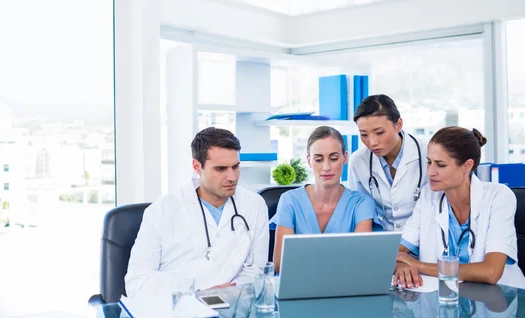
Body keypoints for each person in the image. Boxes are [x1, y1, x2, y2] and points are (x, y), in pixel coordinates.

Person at [125, 127, 269, 296]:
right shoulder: (162, 211)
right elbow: (137, 281)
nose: (232, 177)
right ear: (197, 166)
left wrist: (229, 291)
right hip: (177, 308)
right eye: (220, 169)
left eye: (235, 166)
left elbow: (258, 270)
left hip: (233, 306)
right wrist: (196, 292)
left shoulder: (255, 205)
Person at [393, 127, 525, 289]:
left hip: (499, 299)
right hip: (445, 299)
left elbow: (490, 272)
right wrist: (402, 266)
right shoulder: (428, 195)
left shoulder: (499, 197)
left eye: (440, 165)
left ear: (467, 166)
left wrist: (419, 265)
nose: (430, 172)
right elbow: (396, 252)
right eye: (429, 162)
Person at [270, 126, 377, 272]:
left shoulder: (361, 203)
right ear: (309, 161)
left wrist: (304, 260)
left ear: (345, 158)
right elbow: (280, 264)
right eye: (318, 159)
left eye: (333, 159)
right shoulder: (289, 201)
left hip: (343, 288)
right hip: (296, 288)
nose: (326, 167)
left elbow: (360, 261)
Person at [348, 94, 429, 231]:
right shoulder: (358, 161)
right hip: (380, 243)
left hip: (422, 242)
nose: (372, 142)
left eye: (379, 132)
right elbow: (359, 211)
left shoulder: (427, 154)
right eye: (364, 135)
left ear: (398, 125)